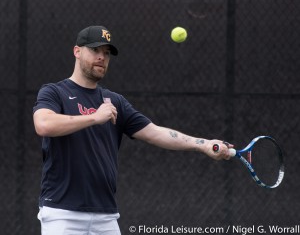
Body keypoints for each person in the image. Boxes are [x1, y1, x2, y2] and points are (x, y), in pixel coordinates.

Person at [33, 25, 233, 235]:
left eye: (107, 53)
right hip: (62, 214)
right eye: (95, 50)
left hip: (106, 217)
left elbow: (155, 133)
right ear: (77, 51)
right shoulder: (54, 92)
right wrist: (94, 117)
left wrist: (203, 144)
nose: (102, 57)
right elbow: (44, 124)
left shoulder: (115, 101)